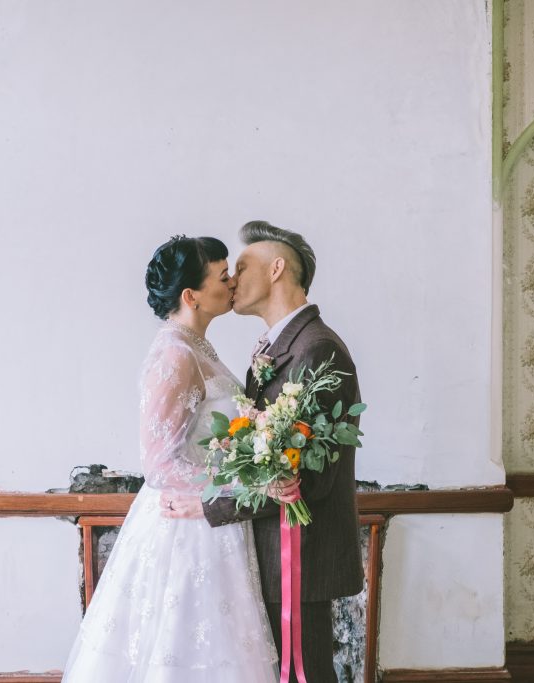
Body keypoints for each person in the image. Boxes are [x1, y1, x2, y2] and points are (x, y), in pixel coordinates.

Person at [62, 235, 278, 682]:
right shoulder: (176, 354)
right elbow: (160, 464)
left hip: (214, 522)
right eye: (223, 276)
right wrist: (243, 486)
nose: (233, 282)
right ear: (190, 296)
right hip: (188, 527)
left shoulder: (196, 346)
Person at [163, 221, 364, 683]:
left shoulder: (319, 350)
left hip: (299, 557)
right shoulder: (276, 349)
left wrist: (207, 503)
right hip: (269, 549)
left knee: (305, 676)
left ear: (277, 269)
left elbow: (306, 481)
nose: (232, 279)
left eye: (241, 266)